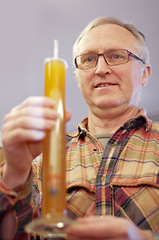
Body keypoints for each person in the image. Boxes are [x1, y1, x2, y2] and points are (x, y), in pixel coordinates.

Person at [0, 16, 159, 240]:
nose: (101, 69)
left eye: (116, 56)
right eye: (88, 59)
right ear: (77, 78)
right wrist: (14, 174)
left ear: (145, 73)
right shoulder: (42, 160)